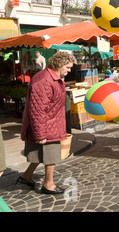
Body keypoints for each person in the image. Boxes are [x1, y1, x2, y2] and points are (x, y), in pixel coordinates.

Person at [17, 51, 76, 194]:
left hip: (51, 124)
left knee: (40, 154)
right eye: (68, 67)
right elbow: (37, 110)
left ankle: (26, 176)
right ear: (60, 64)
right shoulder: (44, 80)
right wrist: (40, 134)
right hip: (46, 126)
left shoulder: (51, 77)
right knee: (51, 156)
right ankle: (48, 185)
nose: (69, 71)